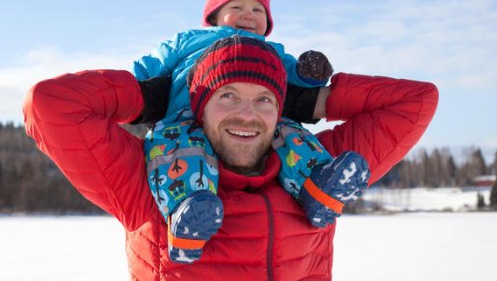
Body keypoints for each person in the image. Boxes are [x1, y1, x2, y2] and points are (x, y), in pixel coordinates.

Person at [23, 36, 439, 280]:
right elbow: (49, 105)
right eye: (227, 97)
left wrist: (315, 100)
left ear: (280, 111)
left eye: (263, 100)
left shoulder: (319, 168)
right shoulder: (146, 179)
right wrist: (146, 96)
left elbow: (417, 101)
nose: (247, 113)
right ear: (199, 108)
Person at [130, 0, 355, 263]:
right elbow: (154, 64)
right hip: (185, 119)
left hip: (254, 121)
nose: (250, 14)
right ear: (214, 14)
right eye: (238, 5)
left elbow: (295, 74)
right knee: (176, 151)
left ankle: (316, 187)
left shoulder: (272, 50)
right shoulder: (190, 41)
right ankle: (186, 214)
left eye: (258, 9)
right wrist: (136, 83)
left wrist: (311, 71)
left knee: (290, 133)